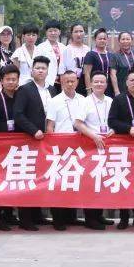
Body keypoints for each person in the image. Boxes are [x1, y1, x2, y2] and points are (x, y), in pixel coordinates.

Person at [11, 56, 52, 230]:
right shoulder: (25, 89)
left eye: (43, 68)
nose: (40, 71)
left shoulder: (51, 90)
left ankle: (37, 214)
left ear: (48, 71)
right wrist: (33, 130)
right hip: (28, 140)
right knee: (27, 180)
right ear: (32, 70)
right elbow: (18, 115)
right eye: (38, 68)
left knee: (40, 179)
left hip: (46, 141)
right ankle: (25, 218)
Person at [107, 70, 134, 229]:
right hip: (123, 147)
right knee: (124, 182)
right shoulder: (118, 99)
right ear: (126, 83)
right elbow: (112, 121)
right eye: (131, 80)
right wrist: (127, 128)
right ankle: (124, 217)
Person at [47, 69, 89, 228]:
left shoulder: (83, 99)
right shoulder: (54, 101)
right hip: (60, 147)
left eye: (73, 81)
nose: (70, 84)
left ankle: (71, 216)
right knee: (58, 184)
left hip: (78, 147)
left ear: (77, 82)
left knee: (73, 181)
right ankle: (58, 219)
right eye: (67, 81)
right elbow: (50, 126)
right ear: (61, 82)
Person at [73, 70, 113, 230]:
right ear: (91, 84)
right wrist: (94, 136)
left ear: (106, 84)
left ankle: (99, 214)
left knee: (102, 182)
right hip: (90, 146)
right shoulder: (85, 101)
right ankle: (90, 218)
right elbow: (78, 123)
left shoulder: (111, 101)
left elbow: (115, 121)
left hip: (106, 147)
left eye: (102, 82)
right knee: (90, 182)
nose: (99, 84)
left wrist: (114, 130)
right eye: (96, 81)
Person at [0, 64, 21, 231]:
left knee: (14, 182)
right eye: (8, 79)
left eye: (14, 79)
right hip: (1, 149)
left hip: (19, 148)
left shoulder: (21, 97)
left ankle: (9, 214)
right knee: (1, 183)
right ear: (2, 81)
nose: (11, 82)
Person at [83, 28, 115, 96]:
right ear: (95, 40)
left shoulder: (111, 55)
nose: (102, 40)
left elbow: (112, 74)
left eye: (104, 39)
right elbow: (87, 73)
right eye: (100, 39)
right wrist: (89, 90)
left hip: (108, 88)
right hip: (95, 87)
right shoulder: (90, 54)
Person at [62, 23, 90, 95]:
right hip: (71, 82)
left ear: (84, 33)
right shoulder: (67, 49)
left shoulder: (88, 49)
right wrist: (63, 90)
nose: (79, 34)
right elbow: (62, 71)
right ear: (71, 34)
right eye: (76, 31)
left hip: (85, 81)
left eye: (81, 31)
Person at [39, 21, 65, 92]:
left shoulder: (64, 48)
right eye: (50, 31)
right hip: (47, 81)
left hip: (62, 82)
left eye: (55, 31)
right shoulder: (40, 48)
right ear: (46, 32)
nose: (53, 33)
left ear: (59, 32)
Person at [110, 30, 134, 95]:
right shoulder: (115, 56)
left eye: (128, 39)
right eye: (123, 39)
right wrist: (116, 91)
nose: (125, 41)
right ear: (119, 41)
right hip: (122, 90)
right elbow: (113, 75)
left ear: (131, 41)